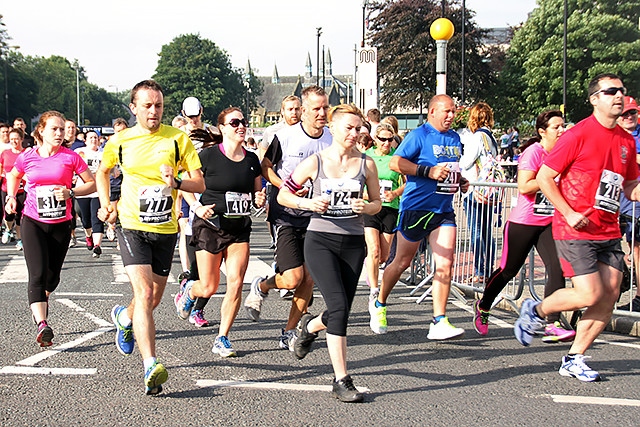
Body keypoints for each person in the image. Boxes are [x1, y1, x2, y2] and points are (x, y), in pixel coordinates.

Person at [514, 74, 640, 382]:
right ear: (595, 99)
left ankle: (574, 358)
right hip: (576, 229)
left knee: (609, 295)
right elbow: (544, 177)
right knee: (588, 294)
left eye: (622, 91)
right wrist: (568, 212)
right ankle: (536, 309)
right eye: (611, 91)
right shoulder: (578, 134)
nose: (619, 96)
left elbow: (630, 186)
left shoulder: (625, 140)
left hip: (608, 229)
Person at [96, 79, 204, 395]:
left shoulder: (177, 139)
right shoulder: (121, 140)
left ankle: (124, 317)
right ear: (134, 108)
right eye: (147, 105)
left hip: (165, 229)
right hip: (132, 225)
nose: (154, 111)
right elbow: (103, 172)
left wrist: (178, 181)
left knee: (153, 299)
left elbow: (199, 184)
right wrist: (106, 204)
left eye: (158, 105)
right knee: (144, 293)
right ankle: (150, 366)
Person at [278, 103, 381, 403]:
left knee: (342, 311)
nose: (354, 133)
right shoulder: (316, 162)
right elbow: (285, 194)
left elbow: (377, 203)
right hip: (320, 240)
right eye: (348, 127)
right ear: (333, 128)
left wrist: (367, 206)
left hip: (352, 243)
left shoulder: (367, 165)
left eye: (359, 128)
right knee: (337, 306)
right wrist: (307, 204)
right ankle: (341, 380)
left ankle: (308, 327)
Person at [369, 94, 469, 339]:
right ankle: (380, 302)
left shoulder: (455, 138)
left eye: (453, 111)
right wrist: (427, 171)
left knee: (445, 263)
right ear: (432, 111)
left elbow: (449, 169)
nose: (451, 116)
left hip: (443, 209)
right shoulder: (418, 135)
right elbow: (395, 163)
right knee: (402, 262)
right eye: (446, 111)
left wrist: (460, 180)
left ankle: (439, 320)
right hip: (417, 208)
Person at [473, 110, 575, 342]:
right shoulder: (534, 152)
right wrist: (548, 179)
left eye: (563, 126)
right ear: (542, 131)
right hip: (524, 222)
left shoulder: (563, 152)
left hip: (549, 222)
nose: (561, 131)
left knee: (556, 268)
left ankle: (552, 322)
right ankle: (484, 305)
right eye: (556, 127)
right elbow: (524, 186)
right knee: (508, 270)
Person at [243, 86, 332, 351]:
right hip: (287, 215)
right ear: (304, 111)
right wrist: (286, 186)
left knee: (309, 278)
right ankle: (263, 285)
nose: (322, 113)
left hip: (317, 216)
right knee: (292, 278)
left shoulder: (331, 138)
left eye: (325, 107)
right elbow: (265, 167)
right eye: (316, 108)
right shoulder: (285, 137)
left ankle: (289, 331)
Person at [174, 107, 265, 357]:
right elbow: (185, 183)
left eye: (243, 121)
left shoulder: (251, 160)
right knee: (209, 287)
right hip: (211, 227)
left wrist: (259, 198)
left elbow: (258, 195)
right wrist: (196, 206)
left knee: (236, 283)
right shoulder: (209, 156)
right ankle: (189, 291)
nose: (240, 126)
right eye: (234, 122)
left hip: (239, 229)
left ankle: (222, 337)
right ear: (223, 128)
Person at [5, 111, 95, 347]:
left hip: (61, 225)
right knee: (37, 275)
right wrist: (12, 197)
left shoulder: (71, 157)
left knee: (52, 278)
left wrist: (71, 192)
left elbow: (91, 183)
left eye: (62, 129)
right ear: (41, 131)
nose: (59, 133)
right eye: (54, 129)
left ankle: (43, 299)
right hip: (33, 221)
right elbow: (13, 175)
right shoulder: (28, 156)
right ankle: (42, 325)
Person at [363, 122, 404, 300]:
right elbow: (356, 178)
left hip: (390, 208)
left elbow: (408, 182)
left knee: (384, 256)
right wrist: (364, 193)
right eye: (382, 140)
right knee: (374, 250)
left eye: (390, 140)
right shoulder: (367, 157)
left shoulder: (397, 158)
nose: (386, 143)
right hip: (370, 207)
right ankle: (374, 289)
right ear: (375, 139)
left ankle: (370, 266)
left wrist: (395, 193)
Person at [460, 102, 500, 284]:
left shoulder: (477, 138)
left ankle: (480, 269)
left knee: (476, 230)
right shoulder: (491, 139)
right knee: (485, 231)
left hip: (474, 189)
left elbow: (466, 162)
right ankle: (488, 268)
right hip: (487, 190)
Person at [615, 96, 640, 311]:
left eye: (632, 112)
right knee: (615, 249)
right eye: (625, 113)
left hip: (636, 201)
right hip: (617, 202)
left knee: (638, 249)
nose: (629, 117)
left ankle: (639, 297)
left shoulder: (635, 138)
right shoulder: (615, 137)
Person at [74, 130, 104, 257]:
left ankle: (97, 245)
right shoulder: (80, 152)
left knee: (97, 218)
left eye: (95, 137)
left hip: (98, 190)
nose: (93, 140)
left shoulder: (104, 153)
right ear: (85, 140)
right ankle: (88, 235)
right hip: (83, 189)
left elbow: (110, 168)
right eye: (90, 138)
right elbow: (72, 167)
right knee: (85, 219)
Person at [0, 128, 26, 249]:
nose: (14, 141)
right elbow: (1, 169)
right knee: (8, 214)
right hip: (7, 188)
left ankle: (20, 239)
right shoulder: (5, 153)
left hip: (22, 189)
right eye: (11, 139)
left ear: (21, 139)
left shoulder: (25, 154)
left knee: (20, 215)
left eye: (16, 138)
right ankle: (9, 229)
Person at [258, 95, 302, 159]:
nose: (294, 112)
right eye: (290, 109)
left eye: (297, 109)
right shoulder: (271, 131)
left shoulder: (308, 131)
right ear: (282, 111)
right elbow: (263, 150)